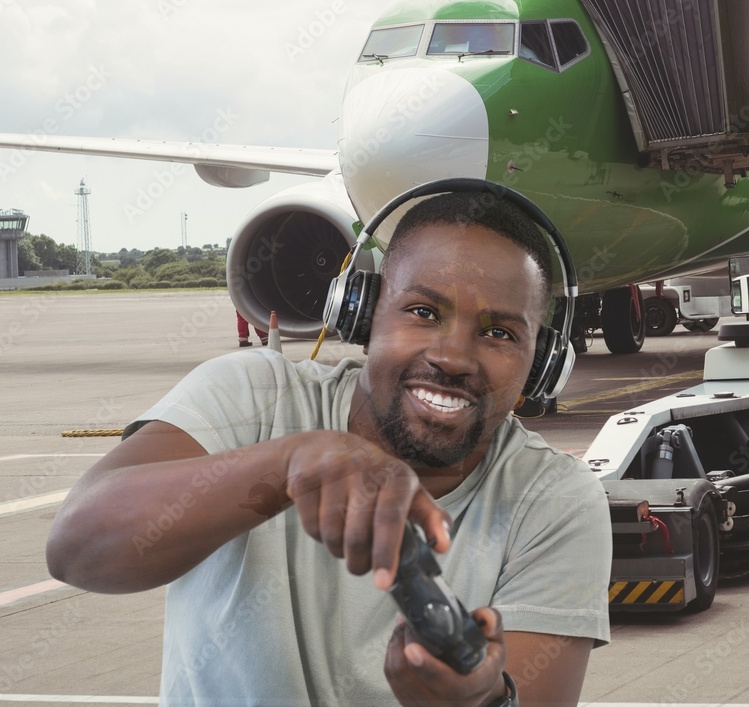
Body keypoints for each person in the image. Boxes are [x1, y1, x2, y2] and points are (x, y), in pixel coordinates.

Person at [46, 189, 613, 706]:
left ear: (541, 363)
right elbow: (76, 547)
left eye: (499, 333)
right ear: (361, 313)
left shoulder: (554, 500)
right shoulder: (253, 396)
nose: (453, 357)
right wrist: (284, 468)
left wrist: (482, 700)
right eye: (423, 312)